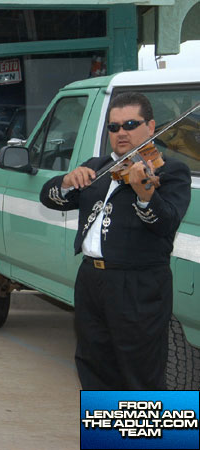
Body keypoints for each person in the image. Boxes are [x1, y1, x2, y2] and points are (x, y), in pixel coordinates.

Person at [39, 92, 191, 390]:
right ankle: (110, 438)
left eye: (130, 124)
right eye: (114, 127)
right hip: (91, 279)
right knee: (93, 364)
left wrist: (146, 194)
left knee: (141, 371)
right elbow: (49, 197)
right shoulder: (98, 166)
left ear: (151, 127)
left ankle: (153, 438)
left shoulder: (171, 170)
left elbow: (166, 224)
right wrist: (67, 181)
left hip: (138, 283)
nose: (121, 132)